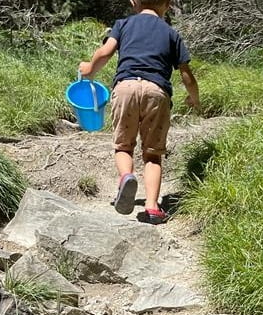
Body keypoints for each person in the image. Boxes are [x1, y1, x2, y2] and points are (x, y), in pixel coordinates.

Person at [78, 0, 200, 224]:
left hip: (125, 88)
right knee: (153, 154)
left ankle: (127, 177)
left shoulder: (123, 24)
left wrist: (89, 69)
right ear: (168, 4)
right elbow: (186, 74)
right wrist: (194, 98)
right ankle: (152, 208)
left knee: (123, 145)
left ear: (133, 1)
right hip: (157, 92)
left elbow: (105, 52)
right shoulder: (171, 33)